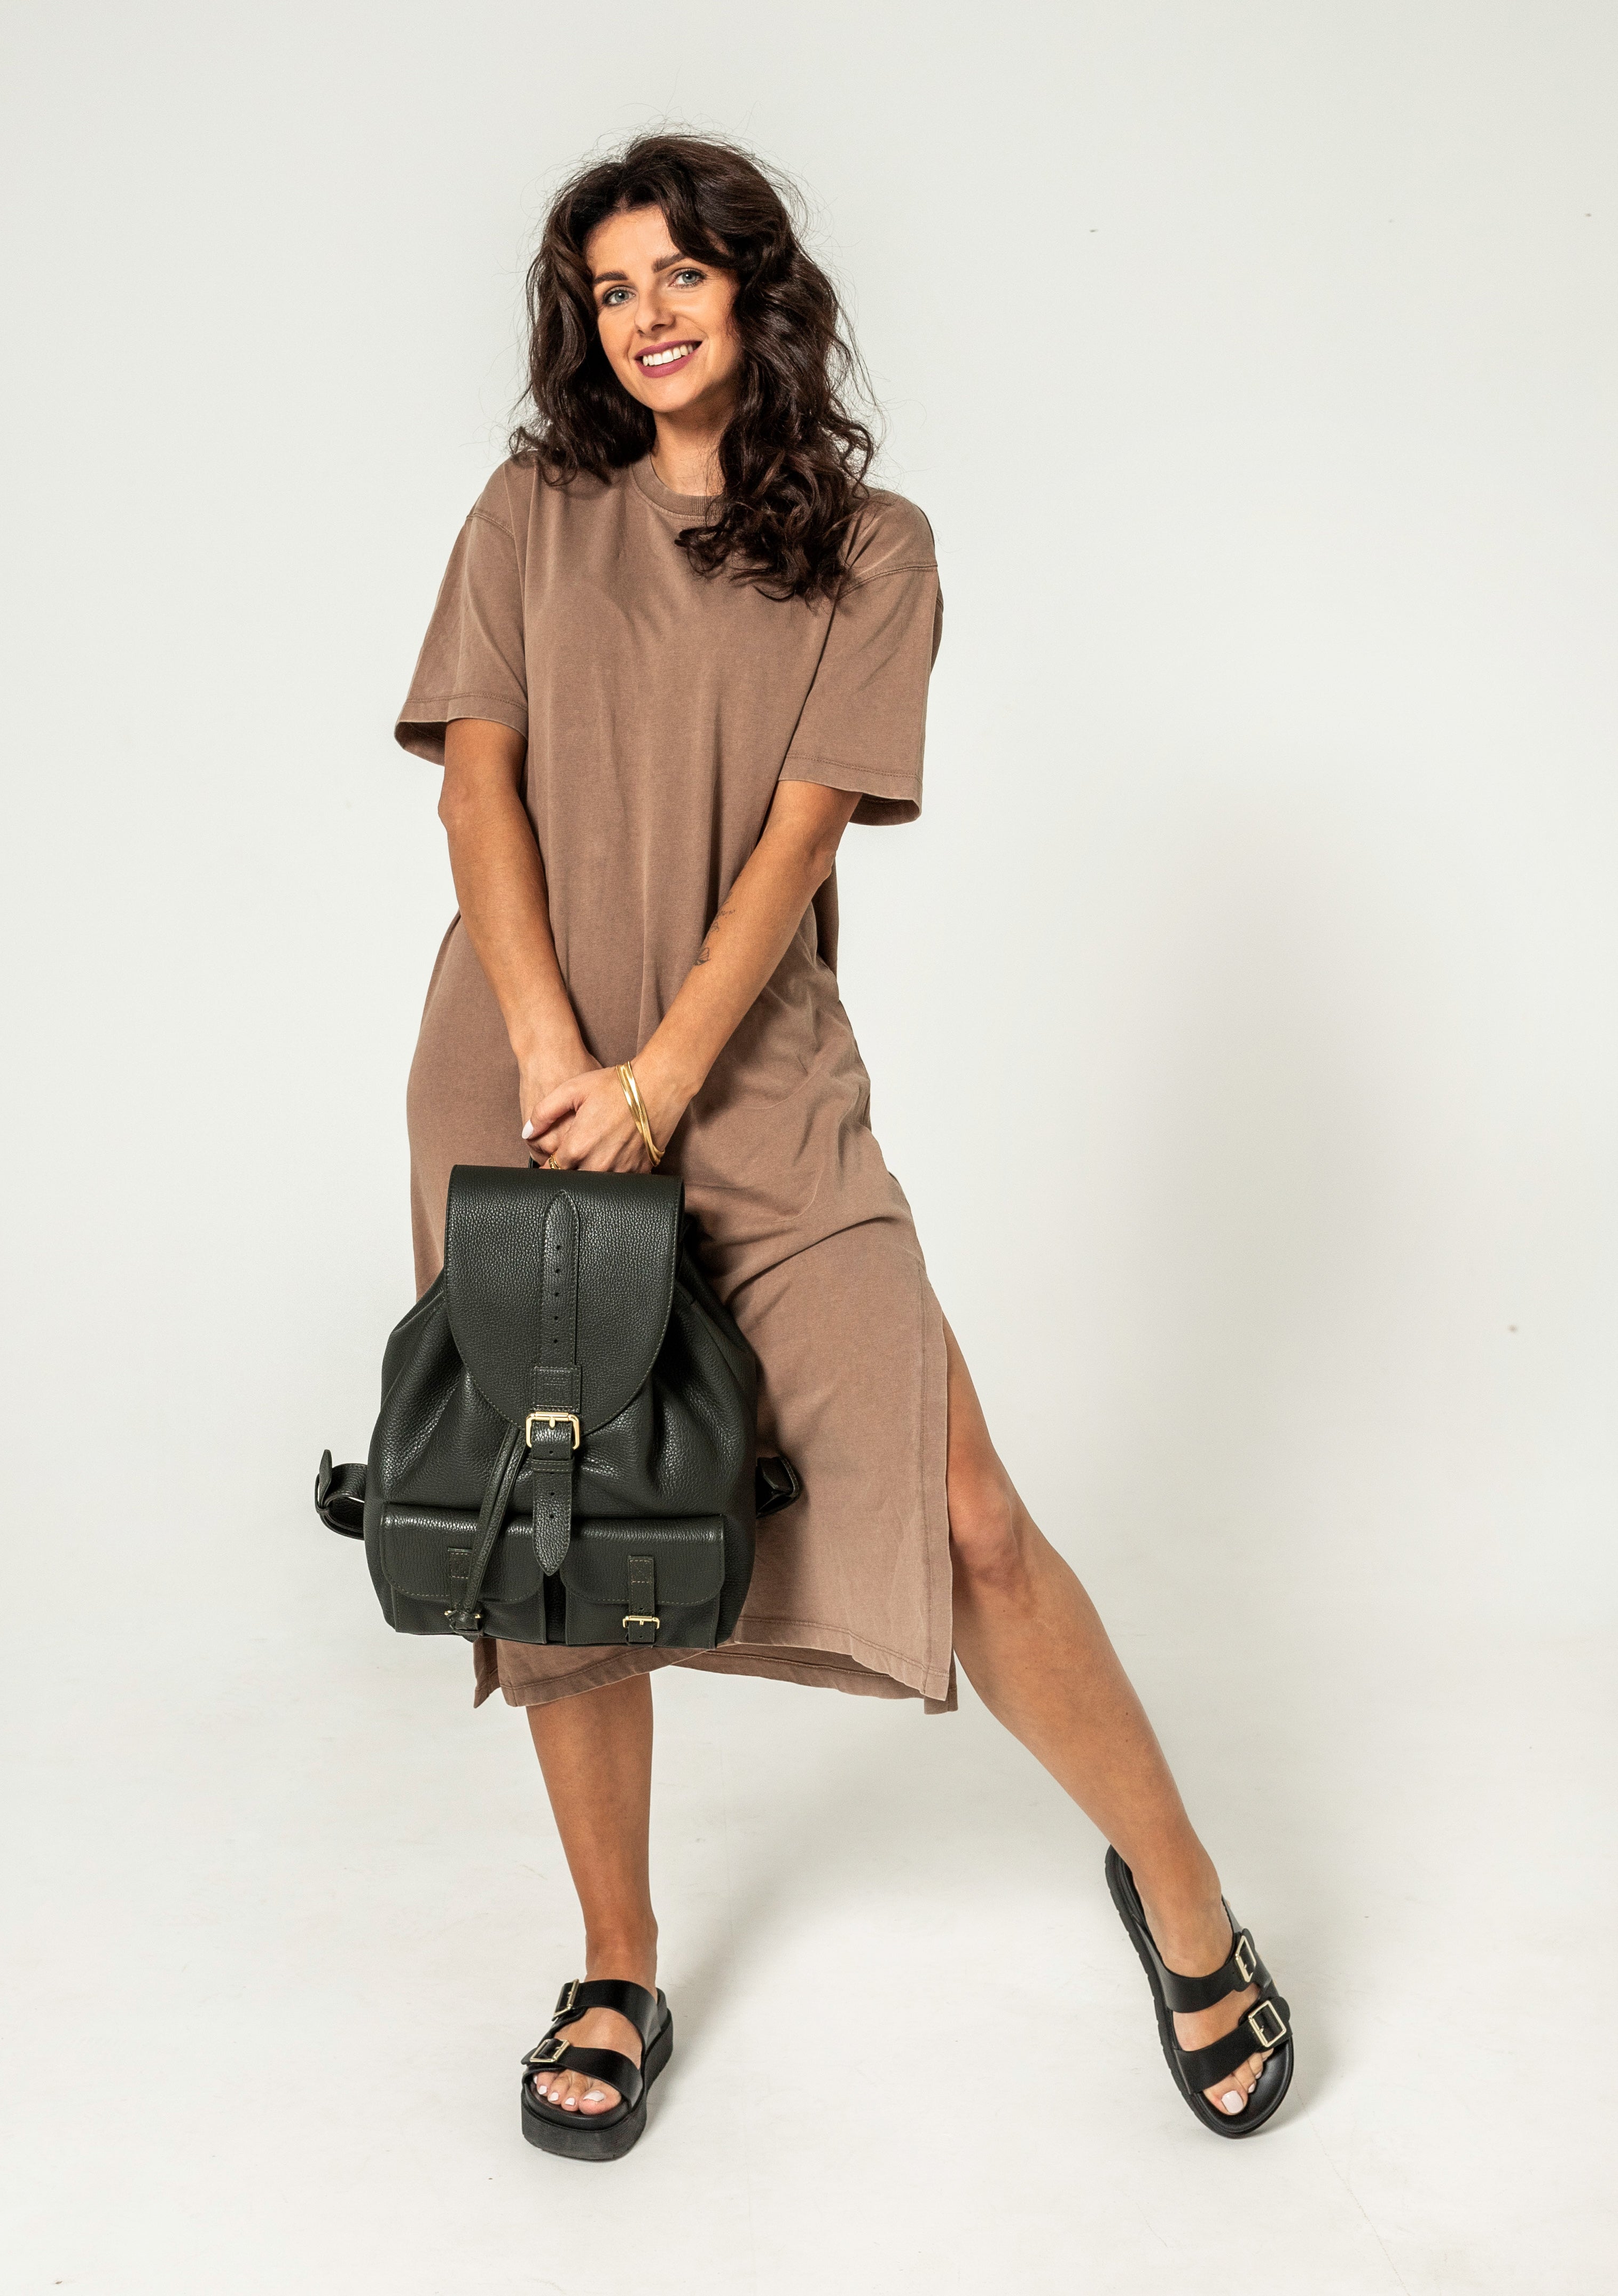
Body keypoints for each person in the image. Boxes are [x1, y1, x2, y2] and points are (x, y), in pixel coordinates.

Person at [394, 131, 1293, 2156]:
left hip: (752, 1086)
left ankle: (1186, 1896)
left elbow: (798, 843)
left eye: (679, 273)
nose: (647, 314)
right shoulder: (527, 511)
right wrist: (553, 1053)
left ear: (753, 287)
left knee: (967, 1516)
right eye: (611, 288)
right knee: (562, 1532)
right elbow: (475, 791)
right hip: (521, 1082)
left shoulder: (874, 548)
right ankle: (615, 1962)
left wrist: (656, 1082)